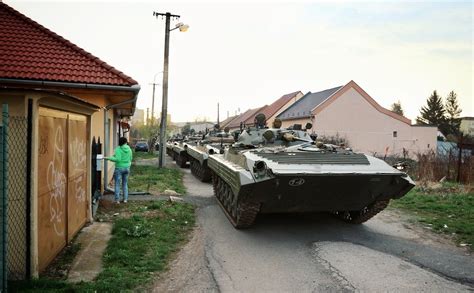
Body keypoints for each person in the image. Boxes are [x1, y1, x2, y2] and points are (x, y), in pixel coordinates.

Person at [105, 137, 132, 204]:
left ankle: (117, 200)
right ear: (125, 142)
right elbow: (131, 158)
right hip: (127, 168)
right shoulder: (129, 149)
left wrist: (108, 158)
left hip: (119, 168)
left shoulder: (118, 149)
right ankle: (125, 199)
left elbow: (117, 159)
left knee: (117, 184)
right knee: (125, 184)